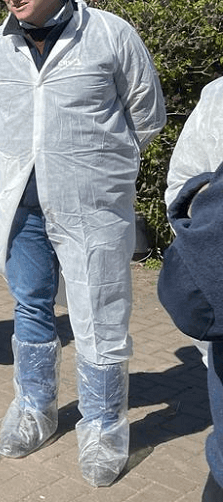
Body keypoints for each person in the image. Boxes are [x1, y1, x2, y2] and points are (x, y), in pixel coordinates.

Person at [0, 0, 165, 487]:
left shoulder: (109, 35)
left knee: (98, 312)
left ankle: (104, 428)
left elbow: (146, 111)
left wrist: (104, 169)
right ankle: (36, 410)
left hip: (92, 205)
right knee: (30, 304)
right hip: (24, 206)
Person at [161, 76, 223, 500]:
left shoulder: (108, 37)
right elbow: (183, 178)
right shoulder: (218, 97)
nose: (14, 1)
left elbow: (188, 297)